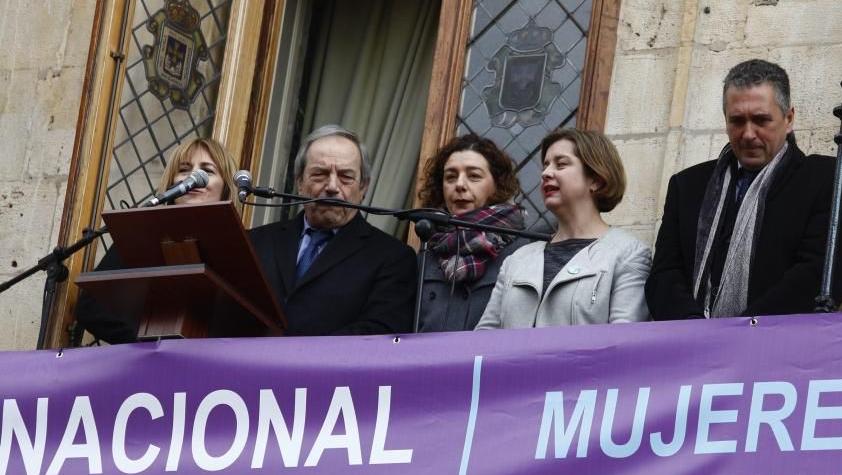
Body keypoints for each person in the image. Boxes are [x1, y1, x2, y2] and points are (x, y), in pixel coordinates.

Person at [645, 59, 842, 320]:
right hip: (693, 347)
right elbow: (664, 276)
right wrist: (696, 331)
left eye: (761, 120)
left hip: (780, 346)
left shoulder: (831, 180)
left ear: (789, 118)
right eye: (737, 121)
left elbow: (818, 275)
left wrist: (742, 332)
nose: (748, 134)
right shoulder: (688, 187)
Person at [249, 124, 417, 336]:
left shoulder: (392, 258)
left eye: (346, 176)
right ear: (299, 182)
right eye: (319, 174)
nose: (332, 186)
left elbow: (379, 335)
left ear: (363, 187)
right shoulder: (256, 242)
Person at [475, 128, 650, 329]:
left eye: (561, 164)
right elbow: (485, 339)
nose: (546, 173)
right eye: (545, 165)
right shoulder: (517, 260)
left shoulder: (628, 254)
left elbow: (623, 343)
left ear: (596, 180)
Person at [75, 137, 240, 344]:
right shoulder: (142, 235)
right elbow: (90, 307)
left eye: (207, 171)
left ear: (225, 188)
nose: (194, 177)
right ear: (172, 182)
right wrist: (145, 344)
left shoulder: (235, 248)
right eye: (184, 169)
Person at [417, 134, 527, 332]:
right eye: (450, 177)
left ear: (497, 185)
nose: (459, 184)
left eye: (474, 176)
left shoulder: (523, 253)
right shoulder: (427, 250)